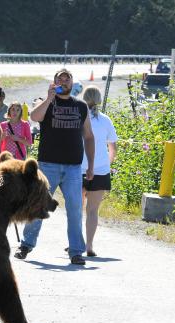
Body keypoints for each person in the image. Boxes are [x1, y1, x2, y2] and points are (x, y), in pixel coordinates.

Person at [14, 68, 95, 265]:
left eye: (68, 79)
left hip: (73, 168)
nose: (64, 82)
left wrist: (91, 165)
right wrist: (50, 98)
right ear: (55, 82)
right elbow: (34, 117)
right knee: (38, 204)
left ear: (72, 83)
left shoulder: (81, 106)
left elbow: (88, 136)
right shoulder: (46, 102)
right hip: (48, 165)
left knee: (75, 209)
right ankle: (26, 244)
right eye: (61, 79)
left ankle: (76, 251)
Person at [80, 85, 118, 257]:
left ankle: (75, 242)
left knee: (76, 208)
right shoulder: (106, 120)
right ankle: (89, 245)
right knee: (93, 210)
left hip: (78, 167)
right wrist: (106, 165)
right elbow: (113, 148)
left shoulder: (79, 118)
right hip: (100, 169)